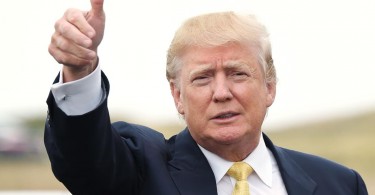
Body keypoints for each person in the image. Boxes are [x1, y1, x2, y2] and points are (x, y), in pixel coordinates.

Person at [44, 0, 368, 194]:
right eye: (202, 79)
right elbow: (86, 161)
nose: (222, 93)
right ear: (178, 96)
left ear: (270, 86)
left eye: (238, 73)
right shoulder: (140, 171)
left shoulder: (339, 184)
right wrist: (80, 69)